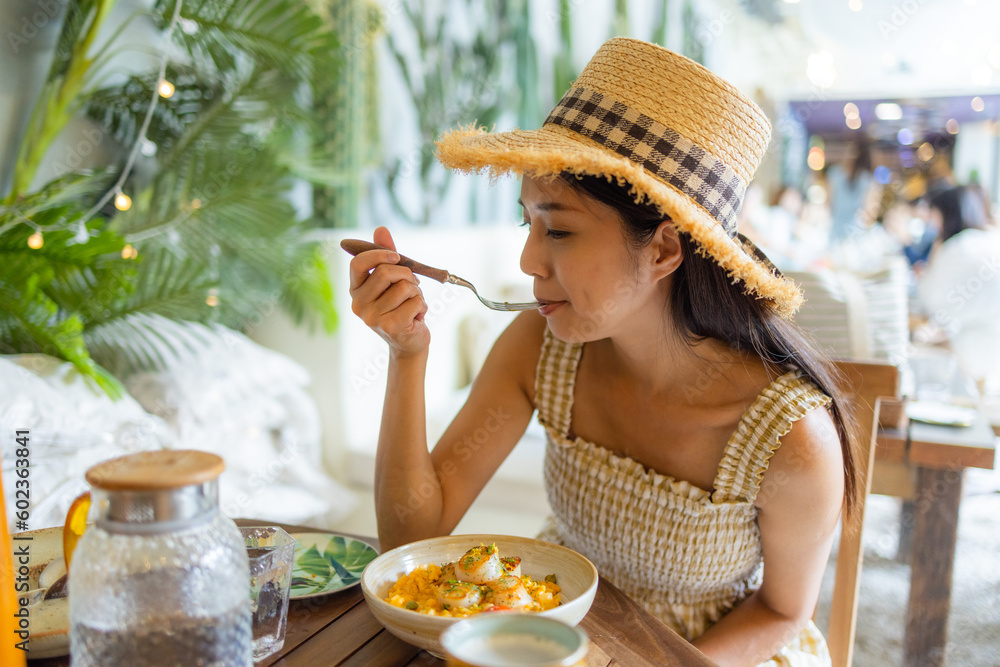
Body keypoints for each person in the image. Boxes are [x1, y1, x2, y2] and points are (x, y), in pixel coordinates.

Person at [348, 38, 859, 666]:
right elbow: (412, 538)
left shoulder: (789, 436)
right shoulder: (541, 349)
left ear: (665, 250)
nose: (528, 260)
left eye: (558, 229)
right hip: (565, 641)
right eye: (527, 223)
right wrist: (406, 355)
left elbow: (783, 613)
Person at [918, 185, 1000, 389]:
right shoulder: (989, 239)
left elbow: (929, 303)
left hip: (975, 356)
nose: (931, 223)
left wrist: (934, 254)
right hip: (990, 356)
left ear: (946, 214)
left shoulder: (956, 247)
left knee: (919, 351)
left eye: (934, 215)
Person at [825, 136, 879, 246]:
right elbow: (869, 212)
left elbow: (828, 203)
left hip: (835, 231)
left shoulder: (834, 174)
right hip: (856, 235)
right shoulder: (868, 180)